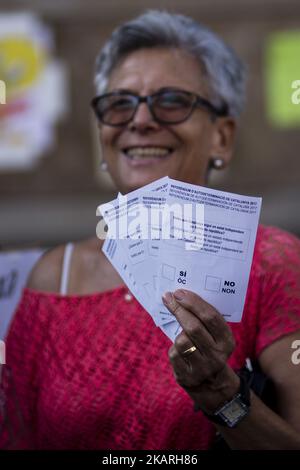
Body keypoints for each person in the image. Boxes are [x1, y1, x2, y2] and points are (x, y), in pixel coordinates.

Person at [1, 10, 300, 450]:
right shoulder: (52, 275)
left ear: (222, 137)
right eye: (119, 103)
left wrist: (223, 395)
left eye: (173, 100)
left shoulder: (272, 262)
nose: (140, 120)